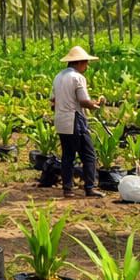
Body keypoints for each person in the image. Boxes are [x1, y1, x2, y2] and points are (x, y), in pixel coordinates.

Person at [53, 45, 103, 199]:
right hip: (75, 119)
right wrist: (96, 105)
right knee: (89, 154)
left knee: (67, 155)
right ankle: (90, 187)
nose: (86, 66)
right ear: (80, 62)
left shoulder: (58, 77)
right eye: (86, 63)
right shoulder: (77, 77)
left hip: (61, 120)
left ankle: (67, 189)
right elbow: (83, 101)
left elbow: (53, 101)